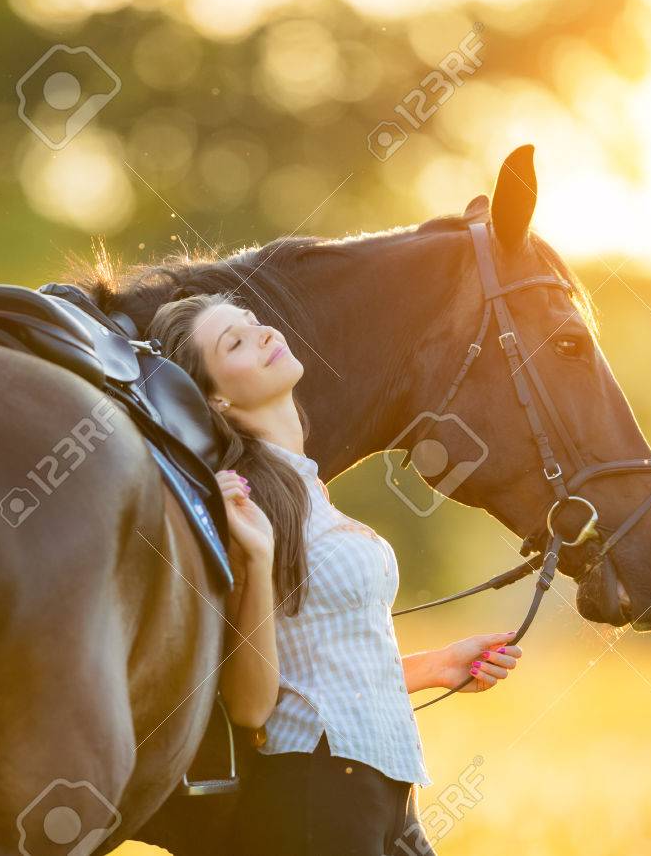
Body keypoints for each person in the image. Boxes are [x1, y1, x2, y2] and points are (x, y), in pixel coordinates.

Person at [147, 292, 523, 856]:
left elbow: (315, 664)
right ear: (216, 398)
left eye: (254, 323)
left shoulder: (305, 489)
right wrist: (253, 555)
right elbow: (251, 706)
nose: (264, 334)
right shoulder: (242, 504)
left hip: (384, 789)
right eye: (236, 342)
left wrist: (435, 666)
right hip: (316, 798)